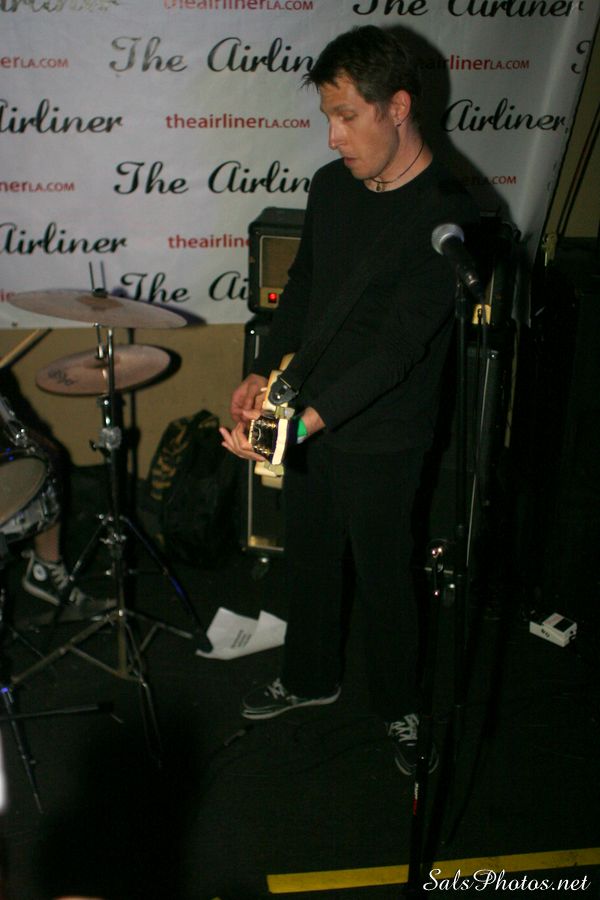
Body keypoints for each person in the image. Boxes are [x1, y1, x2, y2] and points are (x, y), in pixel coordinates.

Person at [220, 25, 480, 776]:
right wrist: (264, 372)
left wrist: (297, 427)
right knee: (309, 557)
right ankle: (309, 678)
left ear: (397, 107)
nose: (333, 137)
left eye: (346, 116)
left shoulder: (446, 216)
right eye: (327, 117)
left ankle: (399, 704)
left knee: (384, 573)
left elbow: (398, 353)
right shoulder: (331, 187)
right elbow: (304, 286)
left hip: (385, 430)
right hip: (311, 408)